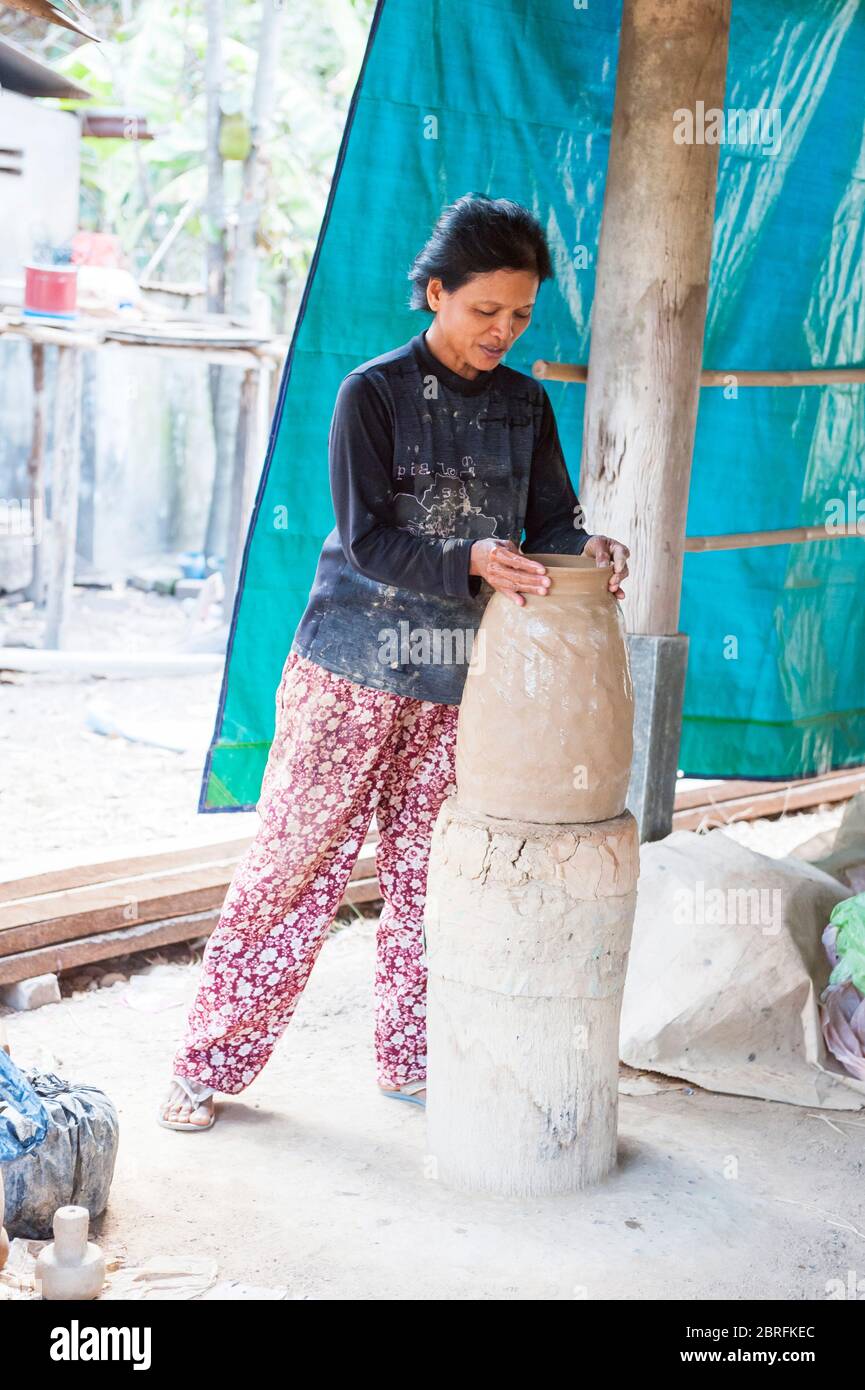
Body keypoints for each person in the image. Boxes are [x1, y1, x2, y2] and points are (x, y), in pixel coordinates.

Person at [159, 192, 630, 1131]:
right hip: (348, 668)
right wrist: (469, 563)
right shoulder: (370, 393)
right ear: (434, 294)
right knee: (294, 866)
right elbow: (369, 540)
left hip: (460, 683)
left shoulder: (526, 406)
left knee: (433, 875)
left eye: (520, 315)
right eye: (482, 310)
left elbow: (548, 523)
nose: (501, 331)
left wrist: (586, 552)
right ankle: (203, 1065)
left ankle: (414, 1063)